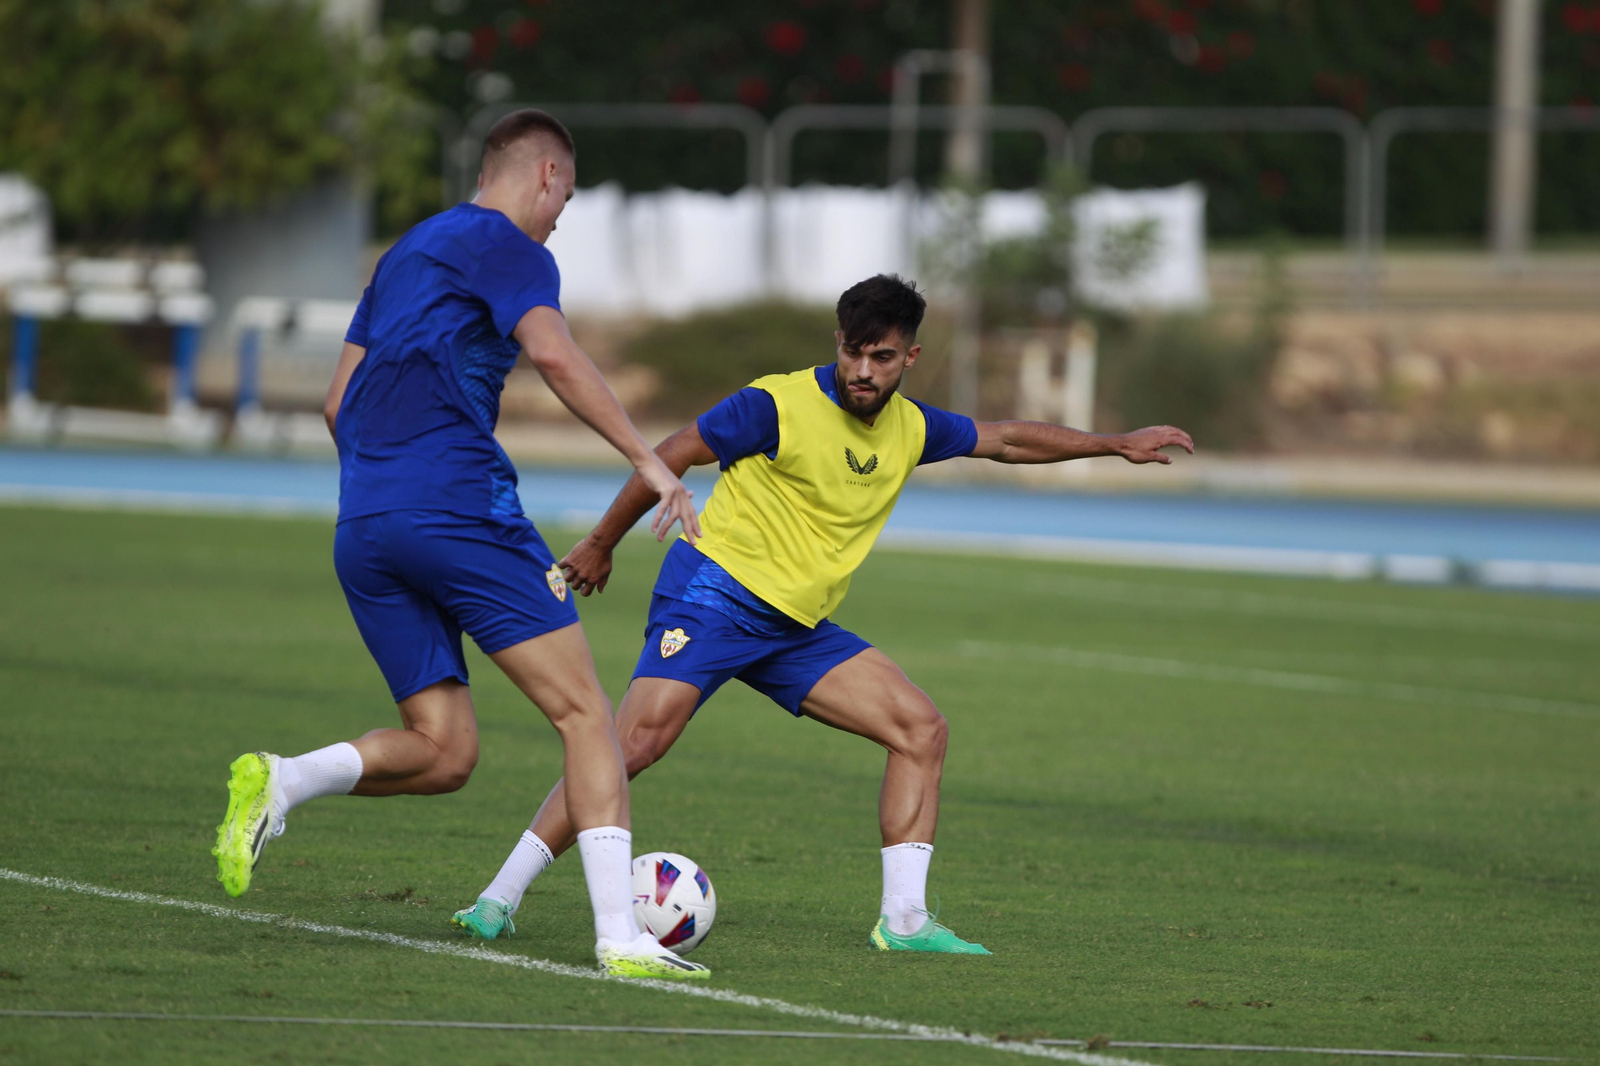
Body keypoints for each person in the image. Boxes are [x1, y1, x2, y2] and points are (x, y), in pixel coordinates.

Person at [450, 273, 1194, 954]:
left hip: (794, 629)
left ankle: (904, 922)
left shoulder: (913, 429)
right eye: (853, 352)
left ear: (911, 356)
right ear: (836, 344)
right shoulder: (773, 405)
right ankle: (498, 897)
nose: (864, 371)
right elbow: (673, 450)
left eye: (883, 357)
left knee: (920, 728)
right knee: (630, 745)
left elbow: (1004, 439)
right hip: (713, 596)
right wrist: (601, 541)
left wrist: (1114, 444)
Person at [211, 109, 709, 981]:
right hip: (457, 510)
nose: (559, 220)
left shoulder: (401, 254)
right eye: (567, 199)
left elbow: (338, 404)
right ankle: (619, 938)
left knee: (446, 751)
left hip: (364, 522)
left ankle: (283, 780)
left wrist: (390, 489)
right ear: (547, 175)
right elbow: (554, 357)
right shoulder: (514, 246)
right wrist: (648, 462)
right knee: (588, 713)